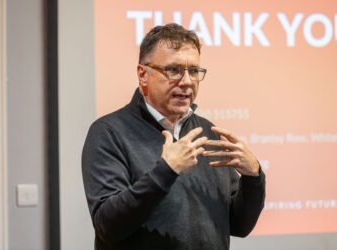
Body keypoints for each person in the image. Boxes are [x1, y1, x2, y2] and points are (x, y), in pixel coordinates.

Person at [82, 23, 265, 250]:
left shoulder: (208, 133)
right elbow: (108, 227)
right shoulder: (109, 132)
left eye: (194, 71)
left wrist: (253, 177)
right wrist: (166, 171)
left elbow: (239, 225)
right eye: (173, 70)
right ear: (143, 75)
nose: (187, 81)